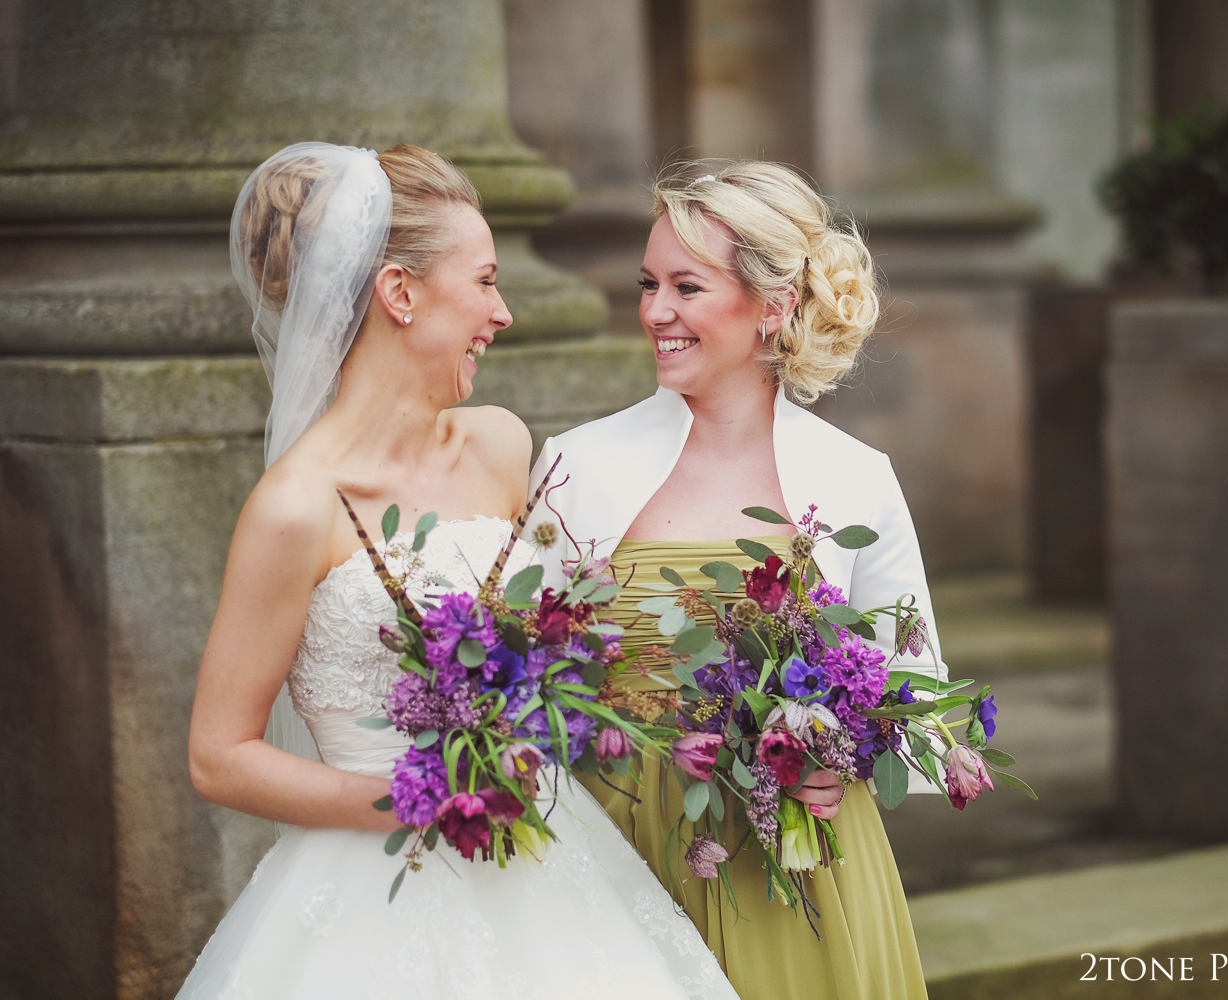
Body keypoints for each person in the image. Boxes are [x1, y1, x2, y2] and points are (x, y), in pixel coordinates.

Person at [179, 142, 737, 999]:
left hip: (553, 865)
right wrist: (427, 799)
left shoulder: (500, 443)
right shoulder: (295, 508)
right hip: (374, 895)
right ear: (400, 293)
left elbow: (556, 639)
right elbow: (220, 757)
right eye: (483, 281)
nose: (504, 312)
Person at [527, 160, 945, 1000]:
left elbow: (921, 695)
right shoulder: (577, 464)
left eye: (687, 286)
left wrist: (849, 759)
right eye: (649, 284)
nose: (655, 312)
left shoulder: (856, 476)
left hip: (797, 868)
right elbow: (530, 686)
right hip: (622, 864)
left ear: (775, 304)